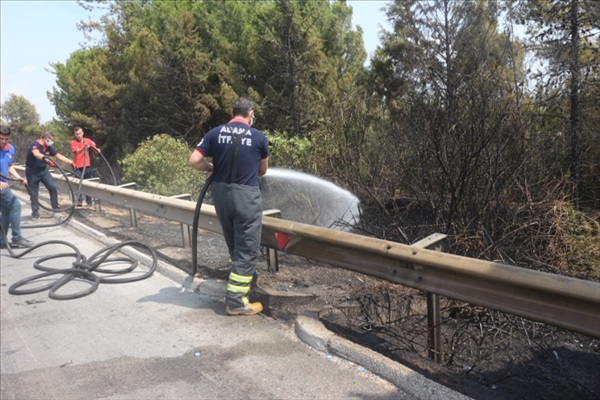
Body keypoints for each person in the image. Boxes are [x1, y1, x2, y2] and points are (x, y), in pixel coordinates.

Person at [189, 97, 269, 316]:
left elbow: (194, 160)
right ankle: (235, 301)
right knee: (247, 249)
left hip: (221, 195)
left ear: (233, 113)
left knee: (235, 242)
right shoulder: (258, 137)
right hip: (246, 197)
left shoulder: (215, 133)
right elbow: (263, 171)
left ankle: (247, 279)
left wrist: (211, 167)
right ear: (250, 113)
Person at [25, 132, 74, 220]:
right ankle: (35, 213)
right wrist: (46, 159)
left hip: (43, 171)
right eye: (51, 140)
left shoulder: (48, 147)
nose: (51, 142)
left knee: (52, 187)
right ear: (45, 139)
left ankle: (55, 207)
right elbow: (36, 154)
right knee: (34, 193)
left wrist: (70, 162)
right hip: (32, 172)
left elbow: (58, 156)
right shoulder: (34, 144)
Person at [0, 126, 33, 249]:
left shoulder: (10, 149)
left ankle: (1, 241)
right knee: (15, 205)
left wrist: (19, 177)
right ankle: (17, 237)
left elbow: (10, 166)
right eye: (1, 139)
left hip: (5, 184)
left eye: (6, 139)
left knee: (7, 211)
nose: (4, 141)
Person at [71, 126, 99, 207]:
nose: (79, 135)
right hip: (77, 167)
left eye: (80, 133)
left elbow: (94, 147)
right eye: (77, 134)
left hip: (87, 166)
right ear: (75, 134)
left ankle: (89, 201)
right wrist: (84, 147)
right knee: (78, 184)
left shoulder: (87, 140)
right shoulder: (73, 142)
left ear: (82, 133)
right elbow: (77, 151)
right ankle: (79, 201)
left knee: (88, 184)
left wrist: (97, 150)